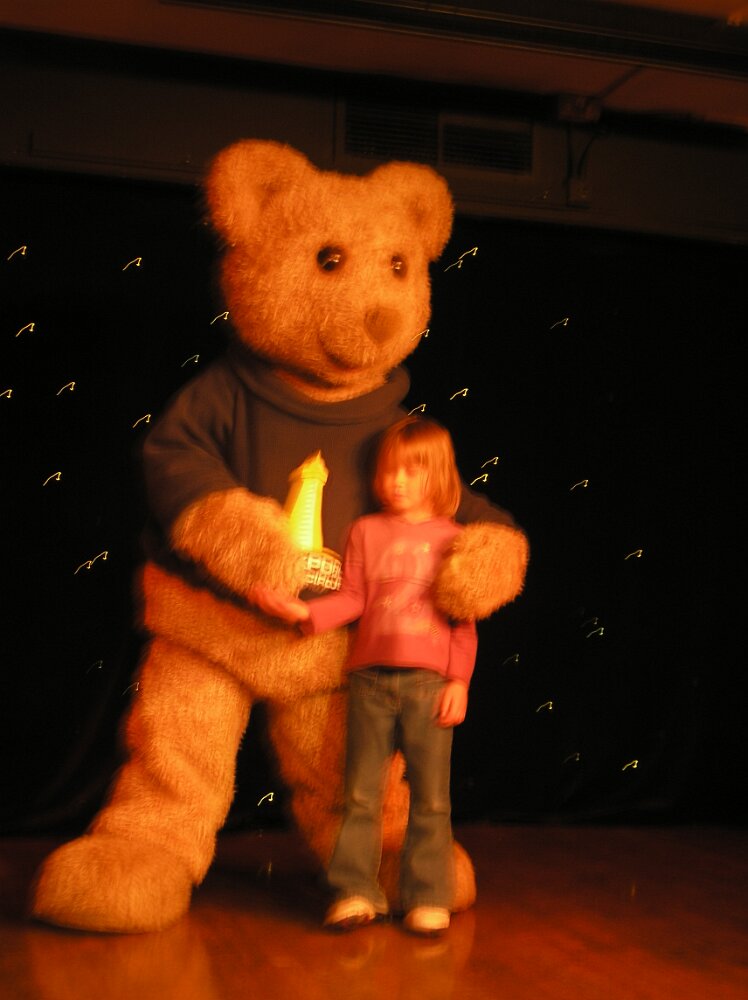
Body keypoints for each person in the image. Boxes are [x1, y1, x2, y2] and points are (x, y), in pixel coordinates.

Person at [267, 416, 477, 936]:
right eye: (388, 471)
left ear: (438, 474)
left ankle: (428, 896)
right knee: (361, 794)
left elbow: (463, 617)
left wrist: (459, 681)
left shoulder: (456, 540)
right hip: (369, 683)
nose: (396, 481)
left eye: (411, 470)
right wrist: (304, 613)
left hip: (430, 686)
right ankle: (355, 892)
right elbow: (353, 599)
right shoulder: (364, 531)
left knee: (431, 798)